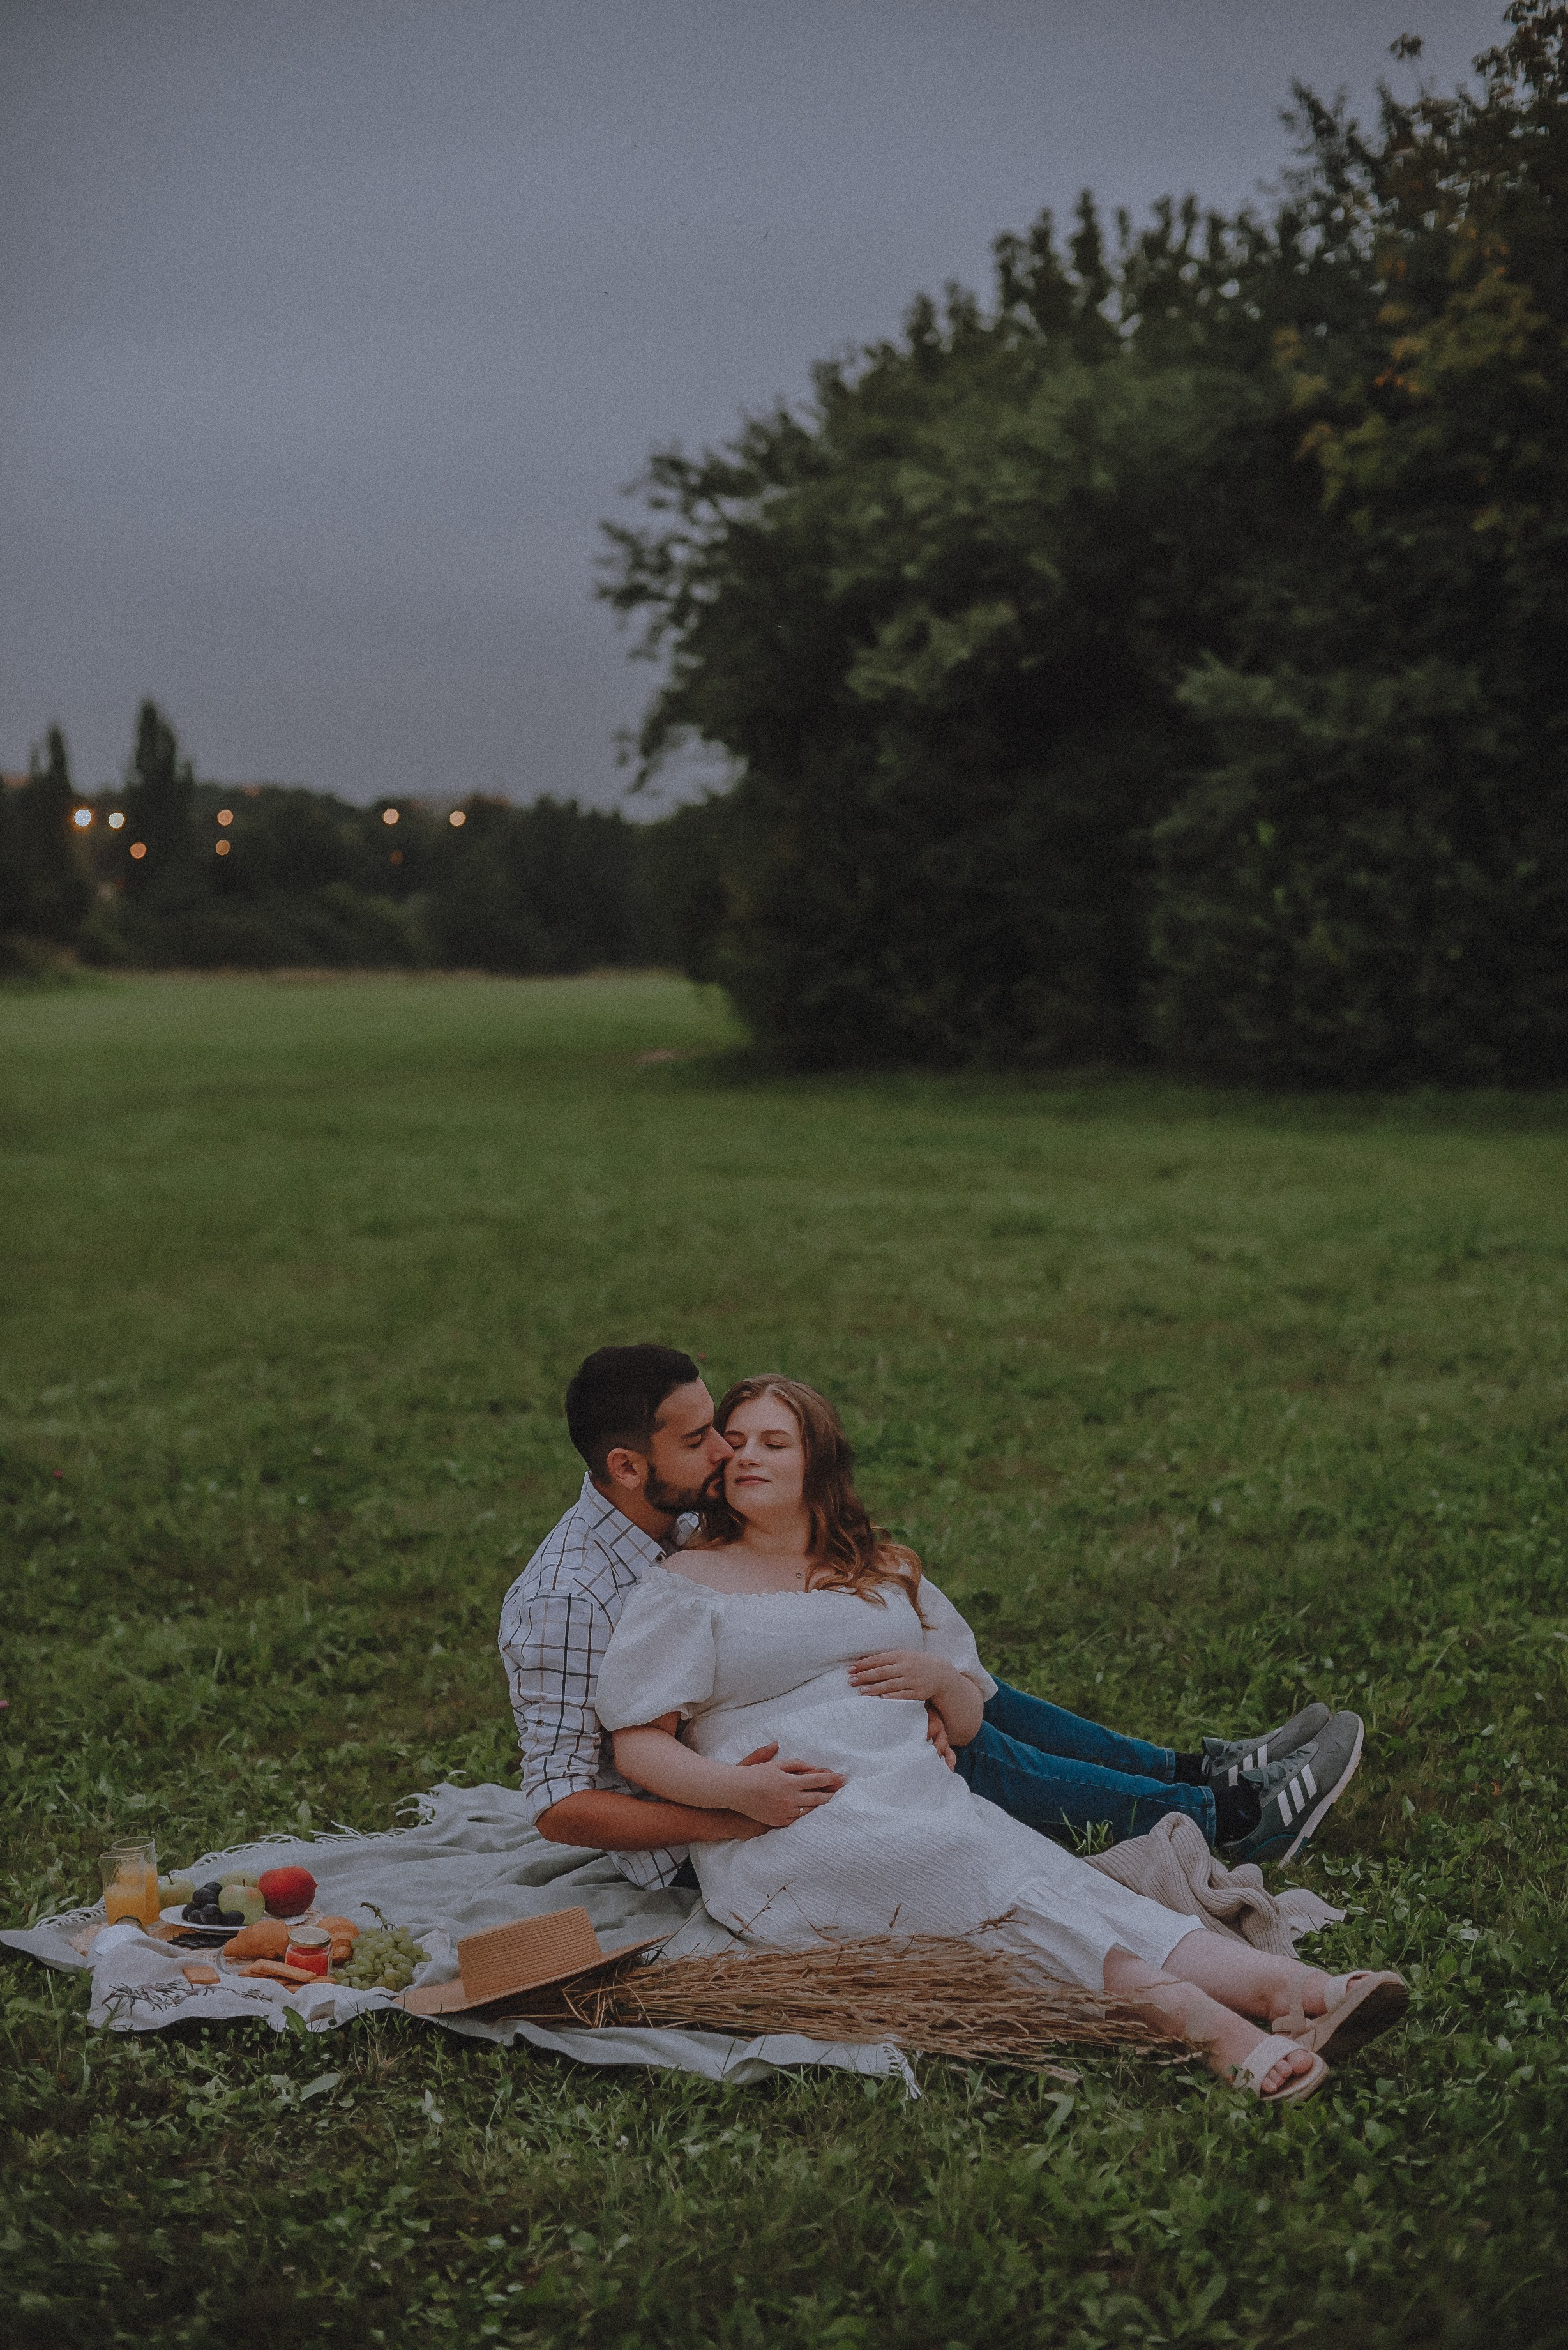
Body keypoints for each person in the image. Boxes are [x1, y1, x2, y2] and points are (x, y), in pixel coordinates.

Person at [592, 1376, 1407, 2104]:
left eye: (775, 1442)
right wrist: (739, 1793)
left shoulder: (878, 1567)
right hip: (794, 1828)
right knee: (986, 1874)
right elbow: (637, 1745)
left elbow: (970, 1721)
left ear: (820, 1462)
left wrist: (935, 1678)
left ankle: (1293, 1987)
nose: (745, 1455)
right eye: (735, 1441)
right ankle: (1211, 2024)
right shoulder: (687, 1586)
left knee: (1064, 1888)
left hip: (917, 1795)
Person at [497, 1346, 1361, 1890]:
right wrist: (741, 1811)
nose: (725, 1451)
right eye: (700, 1441)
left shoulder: (680, 1512)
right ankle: (1229, 1820)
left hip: (768, 1743)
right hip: (709, 1823)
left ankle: (1201, 1772)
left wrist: (931, 1687)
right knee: (928, 1731)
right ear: (627, 1466)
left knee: (934, 1679)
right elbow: (564, 1806)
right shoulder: (565, 1598)